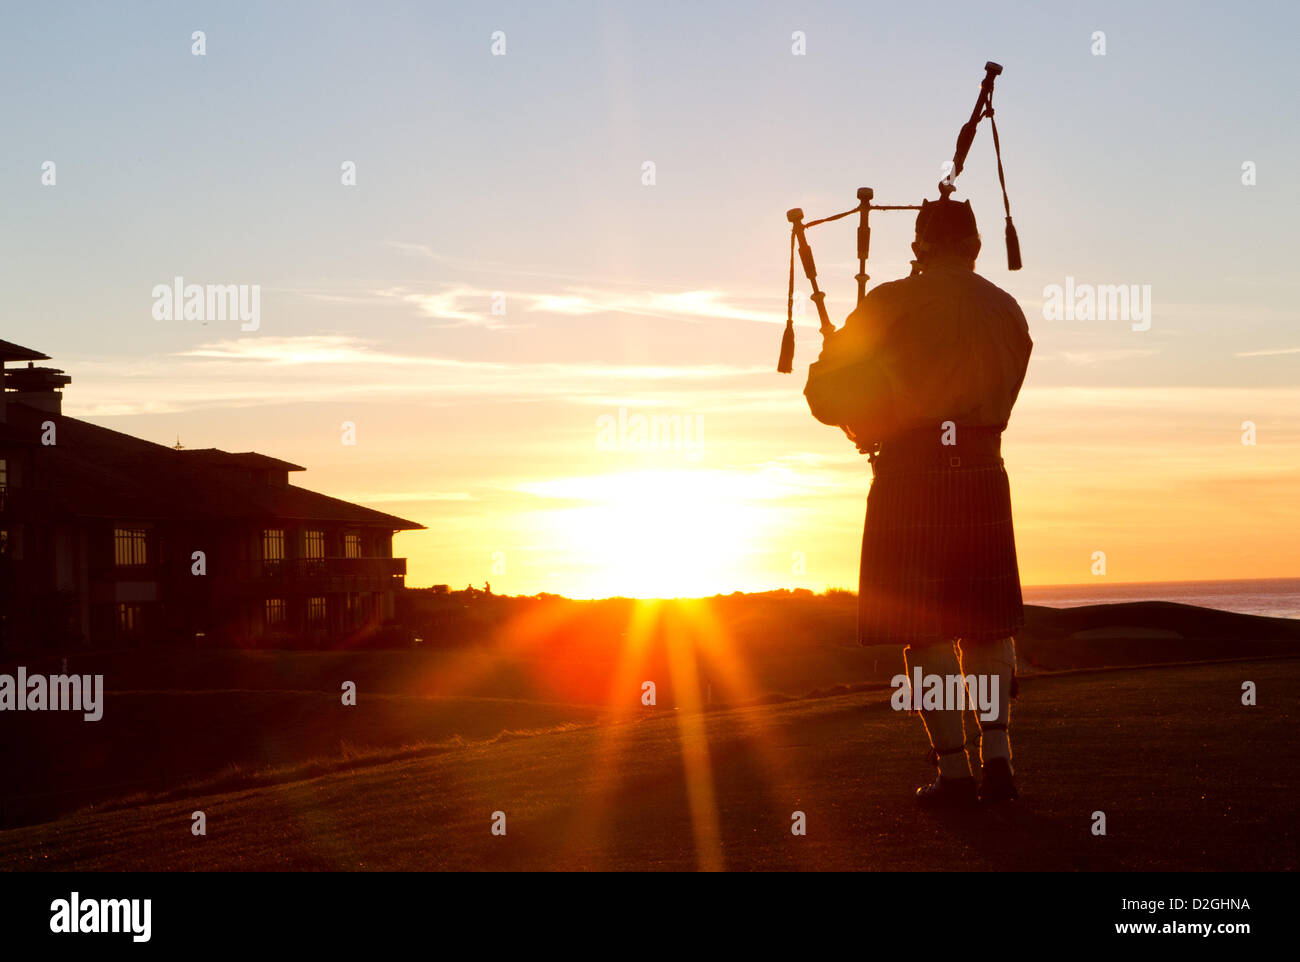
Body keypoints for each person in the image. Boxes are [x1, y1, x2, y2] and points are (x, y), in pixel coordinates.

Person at [804, 197, 1032, 807]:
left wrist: (863, 403)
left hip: (910, 473)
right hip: (984, 470)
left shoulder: (888, 302)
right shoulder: (1006, 310)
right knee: (985, 621)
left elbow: (825, 397)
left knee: (925, 632)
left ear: (920, 244)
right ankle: (1001, 761)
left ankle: (955, 776)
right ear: (976, 244)